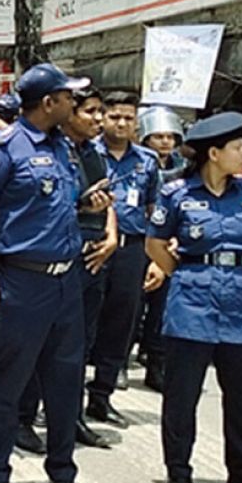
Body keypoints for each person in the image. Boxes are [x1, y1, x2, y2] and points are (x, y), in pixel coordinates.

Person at [0, 63, 90, 483]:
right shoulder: (3, 149)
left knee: (65, 384)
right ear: (48, 102)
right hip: (20, 282)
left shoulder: (65, 147)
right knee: (7, 385)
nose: (75, 104)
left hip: (65, 284)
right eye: (68, 97)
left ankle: (62, 477)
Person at [144, 112, 242, 483]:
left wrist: (241, 276)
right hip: (191, 303)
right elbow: (155, 244)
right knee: (182, 395)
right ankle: (179, 474)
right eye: (237, 148)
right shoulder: (177, 193)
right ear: (214, 153)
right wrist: (185, 274)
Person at [15, 86, 115, 454]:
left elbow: (106, 199)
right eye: (87, 111)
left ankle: (71, 417)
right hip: (56, 261)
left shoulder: (93, 153)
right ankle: (23, 419)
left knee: (78, 348)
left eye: (98, 111)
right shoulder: (54, 151)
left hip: (94, 257)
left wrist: (111, 237)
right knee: (36, 348)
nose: (97, 119)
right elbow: (49, 209)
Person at [86, 91, 159, 424]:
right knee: (82, 322)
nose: (121, 123)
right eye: (114, 116)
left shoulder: (147, 160)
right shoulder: (88, 152)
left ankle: (101, 396)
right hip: (94, 246)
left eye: (128, 118)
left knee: (122, 322)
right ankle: (63, 400)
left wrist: (157, 256)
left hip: (133, 249)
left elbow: (154, 209)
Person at [137, 105, 187, 393]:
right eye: (158, 136)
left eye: (170, 136)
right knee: (132, 307)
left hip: (167, 244)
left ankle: (157, 364)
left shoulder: (183, 170)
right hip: (137, 241)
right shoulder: (139, 164)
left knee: (162, 309)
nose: (165, 142)